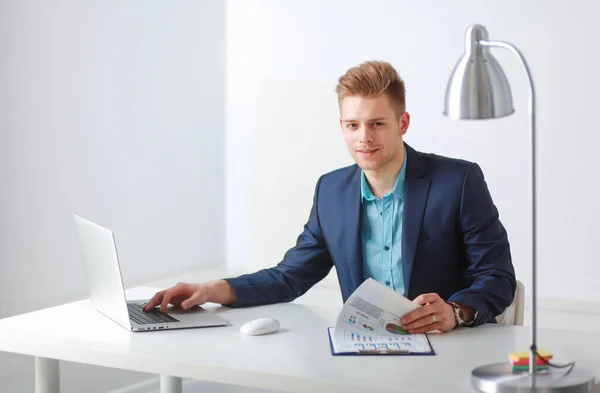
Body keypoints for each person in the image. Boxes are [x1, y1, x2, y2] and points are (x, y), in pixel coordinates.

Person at [144, 60, 516, 334]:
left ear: (402, 124)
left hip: (446, 347)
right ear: (341, 125)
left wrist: (455, 310)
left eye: (377, 124)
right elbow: (289, 276)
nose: (364, 138)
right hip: (365, 347)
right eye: (353, 125)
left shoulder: (459, 180)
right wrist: (210, 289)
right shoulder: (331, 191)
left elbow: (497, 276)